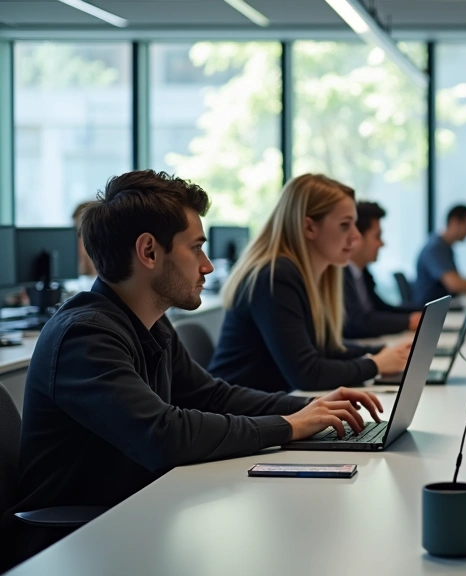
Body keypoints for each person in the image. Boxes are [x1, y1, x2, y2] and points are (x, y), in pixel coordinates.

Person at [0, 170, 383, 569]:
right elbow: (163, 435)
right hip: (75, 546)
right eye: (195, 249)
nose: (207, 266)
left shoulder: (150, 322)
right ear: (149, 252)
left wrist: (310, 409)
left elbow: (213, 396)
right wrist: (288, 425)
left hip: (137, 518)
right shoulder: (84, 336)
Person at [207, 174, 410, 394]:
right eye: (345, 225)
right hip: (239, 418)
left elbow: (324, 350)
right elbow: (307, 374)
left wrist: (386, 352)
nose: (356, 236)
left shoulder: (310, 274)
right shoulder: (275, 275)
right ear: (309, 227)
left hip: (270, 410)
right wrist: (376, 364)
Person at [343, 201, 421, 338]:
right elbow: (357, 323)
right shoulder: (340, 275)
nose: (382, 243)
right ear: (356, 238)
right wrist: (408, 321)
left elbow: (380, 308)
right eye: (377, 236)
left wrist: (422, 311)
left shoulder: (362, 273)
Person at [412, 204, 466, 305]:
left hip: (443, 307)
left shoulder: (445, 247)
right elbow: (454, 284)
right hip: (432, 311)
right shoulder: (436, 248)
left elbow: (456, 280)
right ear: (454, 222)